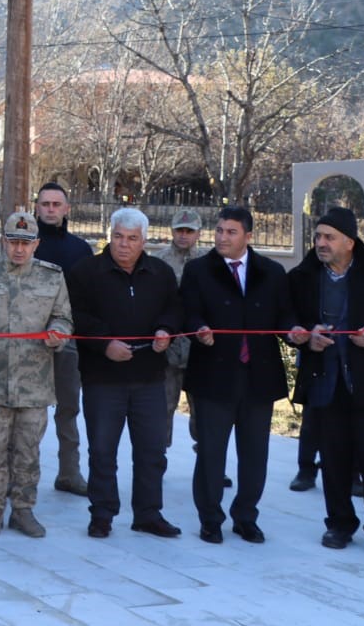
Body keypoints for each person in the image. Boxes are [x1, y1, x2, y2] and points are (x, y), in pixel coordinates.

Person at [180, 206, 293, 544]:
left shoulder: (271, 272)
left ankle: (246, 517)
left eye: (230, 232)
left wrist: (295, 331)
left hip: (258, 377)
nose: (222, 237)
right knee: (212, 452)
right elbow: (187, 310)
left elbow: (284, 316)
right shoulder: (199, 270)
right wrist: (198, 328)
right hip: (214, 376)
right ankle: (210, 518)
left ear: (248, 236)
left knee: (255, 454)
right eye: (219, 230)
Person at [66, 208, 182, 539]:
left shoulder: (160, 272)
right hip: (104, 377)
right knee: (103, 450)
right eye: (118, 236)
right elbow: (75, 315)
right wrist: (105, 344)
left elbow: (174, 308)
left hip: (149, 377)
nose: (124, 245)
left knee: (152, 451)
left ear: (144, 241)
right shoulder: (86, 272)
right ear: (109, 235)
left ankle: (148, 513)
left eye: (132, 239)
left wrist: (165, 330)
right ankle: (102, 513)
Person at [0, 212, 72, 537]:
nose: (19, 249)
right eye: (13, 242)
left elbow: (64, 317)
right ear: (3, 242)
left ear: (37, 243)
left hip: (34, 383)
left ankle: (23, 510)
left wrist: (58, 331)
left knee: (28, 452)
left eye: (26, 243)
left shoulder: (52, 277)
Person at [284, 207, 364, 549]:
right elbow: (287, 317)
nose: (320, 243)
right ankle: (339, 523)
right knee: (333, 458)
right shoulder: (302, 277)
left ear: (349, 242)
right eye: (318, 236)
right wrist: (304, 333)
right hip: (325, 381)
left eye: (329, 237)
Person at [33, 182, 93, 495]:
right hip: (29, 342)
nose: (51, 210)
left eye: (57, 204)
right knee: (28, 412)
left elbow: (88, 298)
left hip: (68, 343)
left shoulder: (80, 250)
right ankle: (22, 477)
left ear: (67, 209)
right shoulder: (25, 244)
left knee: (68, 409)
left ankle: (69, 473)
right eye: (46, 204)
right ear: (37, 207)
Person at [157, 209, 204, 453]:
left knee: (204, 410)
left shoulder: (209, 261)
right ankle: (158, 460)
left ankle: (209, 460)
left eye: (189, 231)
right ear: (172, 231)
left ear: (199, 233)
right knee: (163, 407)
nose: (184, 235)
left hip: (199, 348)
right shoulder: (160, 260)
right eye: (179, 230)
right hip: (169, 348)